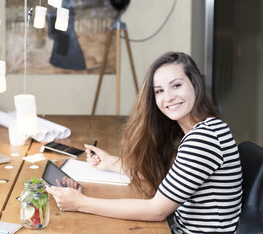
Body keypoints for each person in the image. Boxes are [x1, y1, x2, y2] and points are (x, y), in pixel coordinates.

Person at [46, 51, 242, 233]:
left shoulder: (204, 139)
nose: (169, 97)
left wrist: (81, 203)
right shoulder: (200, 130)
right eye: (159, 91)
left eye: (176, 85)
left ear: (195, 84)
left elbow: (156, 210)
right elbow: (165, 178)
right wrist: (111, 162)